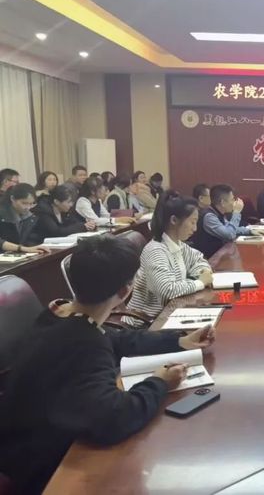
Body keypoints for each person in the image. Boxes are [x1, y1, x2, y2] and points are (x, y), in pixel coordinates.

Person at [0, 235, 216, 494]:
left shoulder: (61, 312)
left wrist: (179, 341)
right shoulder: (84, 343)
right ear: (125, 291)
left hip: (24, 437)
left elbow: (118, 339)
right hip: (44, 465)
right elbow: (113, 419)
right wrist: (160, 382)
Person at [125, 191, 213, 327]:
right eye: (192, 222)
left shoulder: (178, 245)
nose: (195, 228)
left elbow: (199, 259)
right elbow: (167, 291)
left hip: (169, 315)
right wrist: (200, 282)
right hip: (146, 324)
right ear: (174, 220)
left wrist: (203, 272)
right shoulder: (156, 251)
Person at [190, 184, 264, 259]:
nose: (234, 203)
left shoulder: (218, 212)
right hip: (209, 260)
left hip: (221, 254)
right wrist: (236, 212)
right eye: (232, 199)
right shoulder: (209, 216)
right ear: (223, 203)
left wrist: (249, 231)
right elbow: (230, 235)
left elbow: (229, 228)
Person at [30, 185, 96, 243]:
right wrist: (82, 226)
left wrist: (87, 225)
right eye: (68, 202)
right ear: (56, 202)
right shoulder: (44, 211)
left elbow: (74, 222)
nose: (71, 204)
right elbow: (57, 232)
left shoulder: (64, 210)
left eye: (72, 202)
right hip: (39, 244)